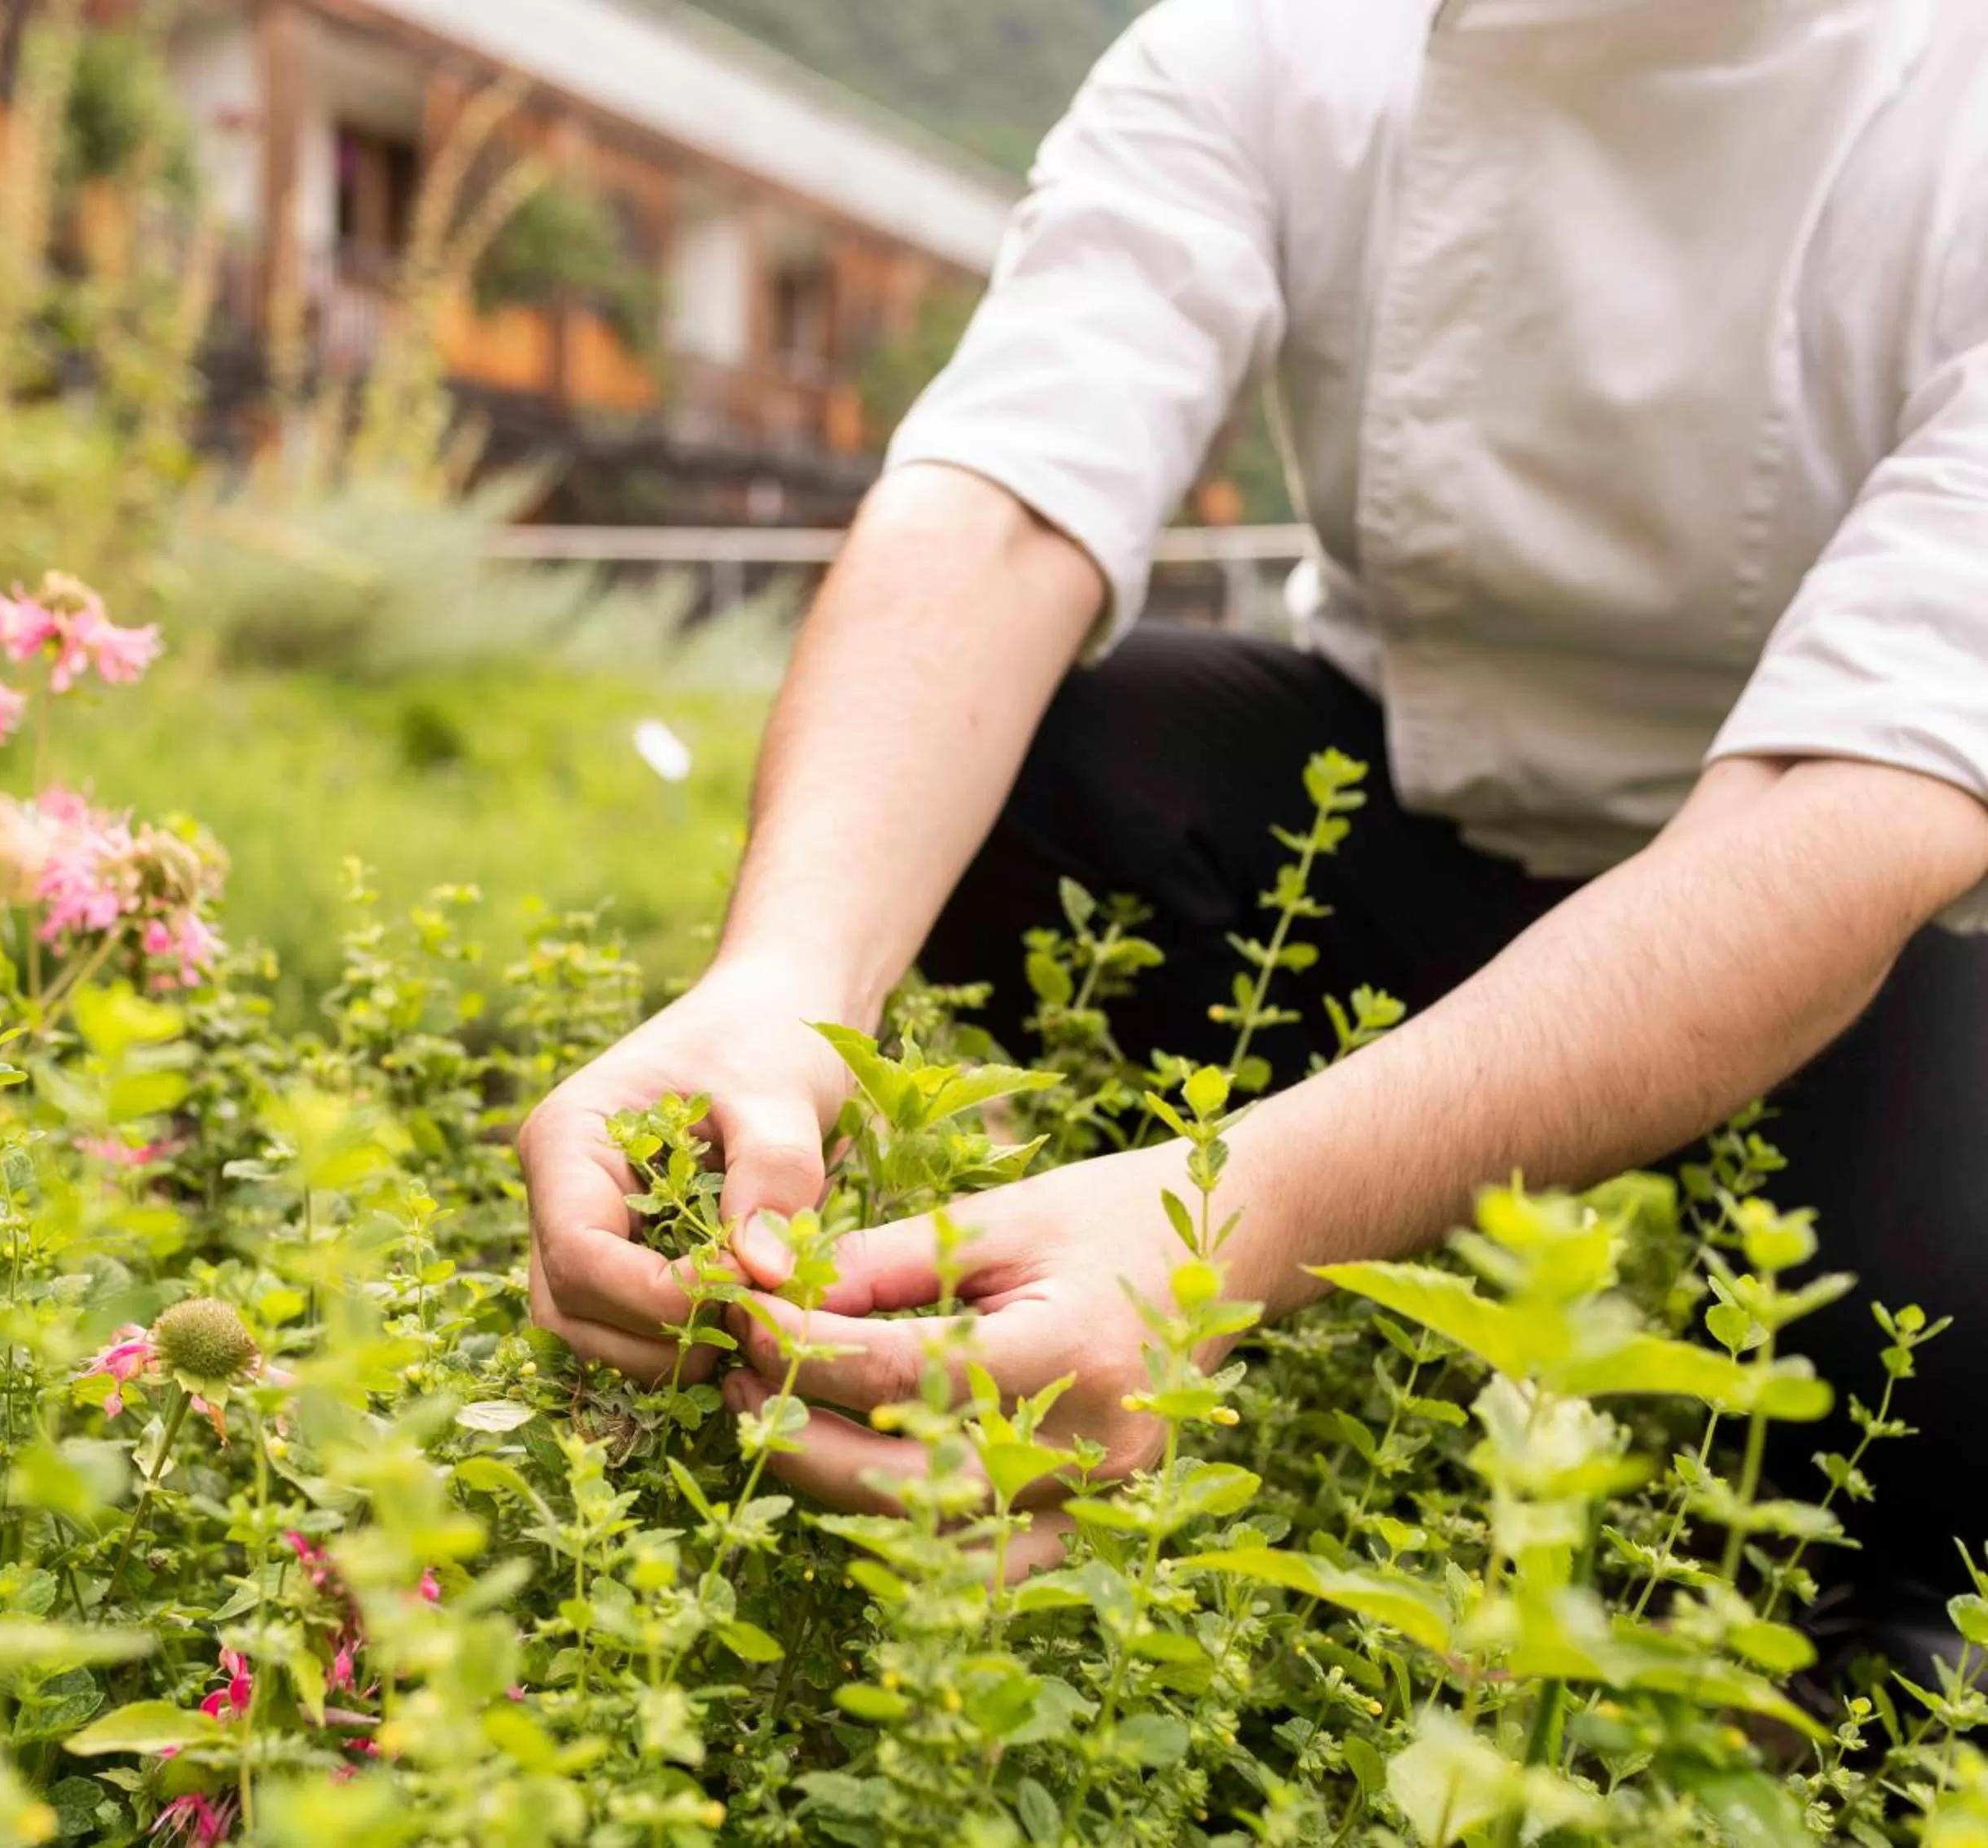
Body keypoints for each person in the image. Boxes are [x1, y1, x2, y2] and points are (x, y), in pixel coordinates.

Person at [522, 0, 1988, 1652]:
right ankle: (1152, 1322)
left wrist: (1236, 1226)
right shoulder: (1274, 49)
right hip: (1412, 813)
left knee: (1922, 1417)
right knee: (1082, 766)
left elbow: (1849, 793)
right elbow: (1000, 506)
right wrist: (778, 983)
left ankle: (1874, 1618)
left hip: (1885, 922)